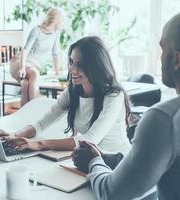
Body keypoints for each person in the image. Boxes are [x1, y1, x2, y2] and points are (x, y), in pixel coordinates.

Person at [72, 13, 180, 200]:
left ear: (177, 59)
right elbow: (154, 162)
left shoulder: (165, 119)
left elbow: (112, 193)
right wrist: (104, 157)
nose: (159, 58)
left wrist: (93, 161)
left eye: (162, 50)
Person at [1, 36, 131, 156]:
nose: (72, 70)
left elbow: (90, 140)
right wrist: (14, 136)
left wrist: (39, 144)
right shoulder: (72, 92)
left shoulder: (114, 96)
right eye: (71, 62)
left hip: (118, 162)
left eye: (80, 64)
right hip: (92, 160)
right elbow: (41, 124)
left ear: (96, 66)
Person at [10, 7, 64, 106]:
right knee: (34, 74)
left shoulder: (56, 33)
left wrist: (57, 73)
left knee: (25, 84)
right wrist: (22, 68)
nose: (62, 22)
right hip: (20, 63)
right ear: (56, 20)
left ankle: (23, 118)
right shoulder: (36, 30)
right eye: (62, 20)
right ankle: (35, 110)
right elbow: (25, 50)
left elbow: (55, 53)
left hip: (34, 66)